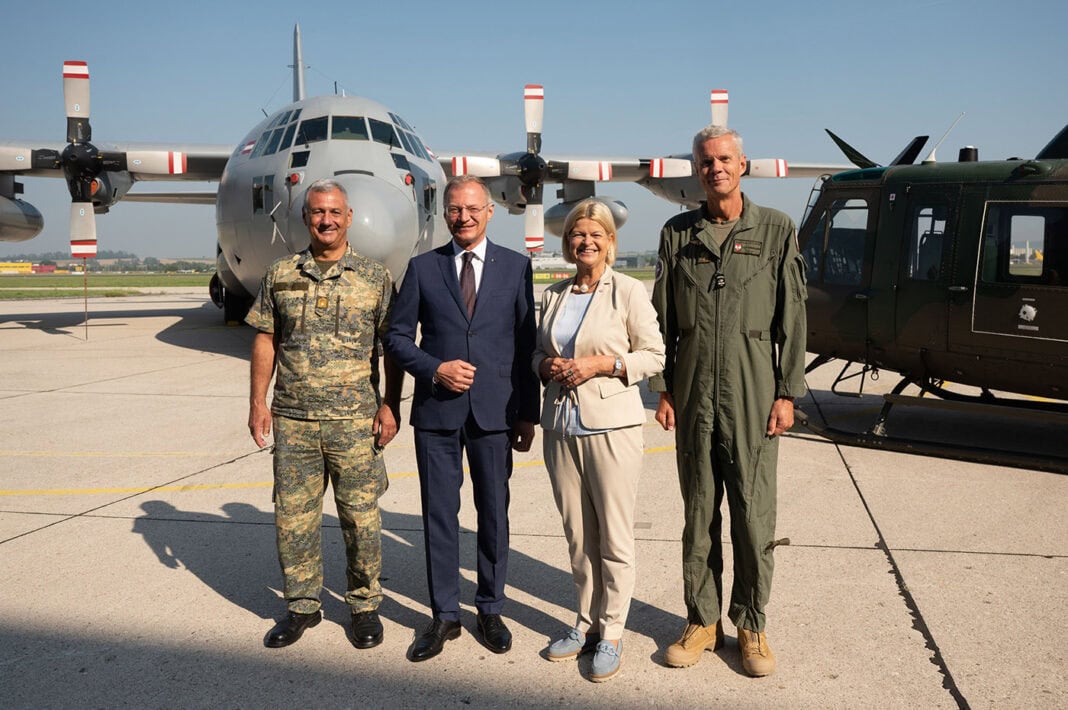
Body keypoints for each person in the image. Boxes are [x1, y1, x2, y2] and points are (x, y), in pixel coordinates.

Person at [650, 125, 807, 676]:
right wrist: (664, 388)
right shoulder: (677, 234)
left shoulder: (777, 230)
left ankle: (752, 624)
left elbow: (792, 316)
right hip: (693, 391)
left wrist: (787, 391)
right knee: (698, 510)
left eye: (724, 159)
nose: (715, 168)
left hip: (752, 391)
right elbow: (661, 321)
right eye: (705, 161)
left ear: (742, 166)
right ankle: (702, 620)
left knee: (752, 512)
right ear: (697, 170)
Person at [384, 175, 540, 662]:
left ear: (489, 211)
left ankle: (490, 607)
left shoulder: (516, 267)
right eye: (455, 209)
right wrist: (435, 370)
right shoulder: (422, 269)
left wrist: (528, 414)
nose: (464, 217)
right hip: (437, 414)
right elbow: (397, 338)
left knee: (494, 513)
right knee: (439, 516)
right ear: (444, 214)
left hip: (496, 413)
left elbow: (524, 344)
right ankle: (444, 615)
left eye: (472, 208)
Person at [246, 178, 401, 650]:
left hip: (355, 422)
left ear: (349, 217)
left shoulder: (375, 278)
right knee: (293, 519)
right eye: (317, 212)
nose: (326, 220)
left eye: (335, 212)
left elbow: (392, 347)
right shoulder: (281, 274)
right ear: (306, 218)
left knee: (361, 519)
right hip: (293, 421)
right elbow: (265, 339)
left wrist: (391, 402)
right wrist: (258, 402)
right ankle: (301, 607)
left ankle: (364, 607)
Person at [532, 199, 665, 682]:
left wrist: (600, 364)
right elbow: (536, 352)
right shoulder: (556, 293)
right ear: (567, 243)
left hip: (612, 427)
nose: (585, 242)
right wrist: (544, 366)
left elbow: (654, 356)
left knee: (614, 536)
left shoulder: (627, 291)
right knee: (577, 536)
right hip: (561, 427)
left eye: (595, 235)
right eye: (576, 235)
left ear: (610, 242)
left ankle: (612, 633)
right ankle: (585, 623)